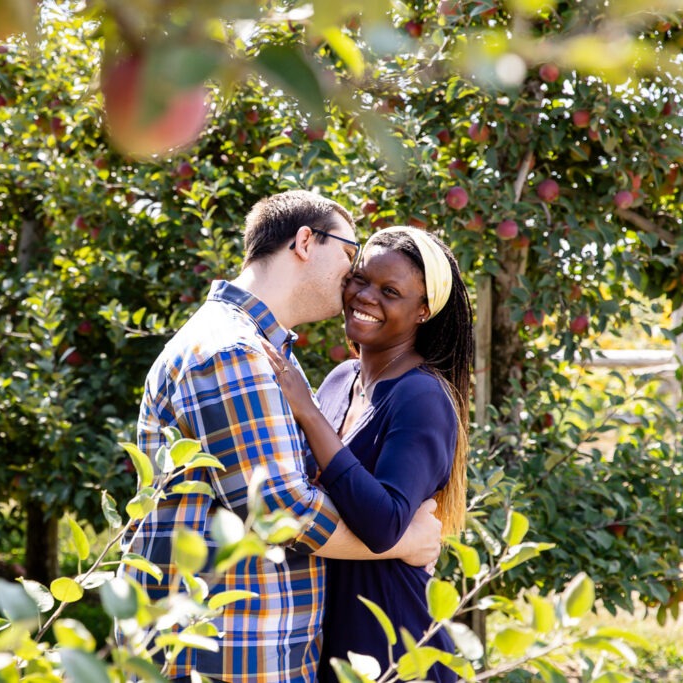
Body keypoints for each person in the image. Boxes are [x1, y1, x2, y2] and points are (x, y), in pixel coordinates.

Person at [122, 192, 444, 683]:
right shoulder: (232, 351)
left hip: (252, 649)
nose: (352, 275)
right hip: (226, 654)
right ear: (304, 242)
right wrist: (403, 542)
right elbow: (282, 508)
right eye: (348, 253)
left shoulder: (266, 351)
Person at [263, 226, 474, 683]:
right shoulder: (341, 379)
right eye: (360, 279)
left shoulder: (421, 397)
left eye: (390, 291)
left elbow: (383, 523)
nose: (365, 296)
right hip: (328, 631)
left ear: (423, 311)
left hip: (392, 640)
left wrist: (308, 414)